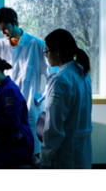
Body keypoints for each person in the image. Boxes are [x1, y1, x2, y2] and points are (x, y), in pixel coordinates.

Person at [0, 7, 48, 158]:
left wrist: (39, 98)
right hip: (8, 115)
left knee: (32, 155)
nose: (3, 33)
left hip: (29, 110)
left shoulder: (37, 45)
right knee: (10, 155)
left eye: (6, 28)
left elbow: (53, 78)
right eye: (0, 30)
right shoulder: (0, 48)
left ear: (15, 22)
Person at [38, 29, 93, 169]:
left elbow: (54, 128)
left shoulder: (60, 80)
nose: (46, 55)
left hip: (67, 152)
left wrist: (45, 158)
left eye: (47, 51)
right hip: (82, 150)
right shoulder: (82, 73)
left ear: (57, 52)